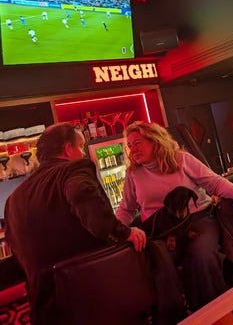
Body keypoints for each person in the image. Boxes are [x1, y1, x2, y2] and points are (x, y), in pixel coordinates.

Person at [4, 122, 146, 324]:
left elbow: (17, 252)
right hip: (92, 295)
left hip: (45, 307)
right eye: (81, 146)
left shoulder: (14, 199)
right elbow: (95, 217)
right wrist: (126, 233)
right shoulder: (73, 170)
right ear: (68, 149)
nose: (83, 153)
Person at [116, 121, 233, 311]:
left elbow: (214, 182)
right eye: (130, 145)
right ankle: (177, 316)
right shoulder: (134, 173)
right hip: (162, 230)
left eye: (138, 143)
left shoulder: (181, 159)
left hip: (198, 220)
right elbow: (126, 209)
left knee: (201, 255)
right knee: (157, 262)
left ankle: (217, 312)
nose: (133, 150)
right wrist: (115, 232)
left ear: (155, 141)